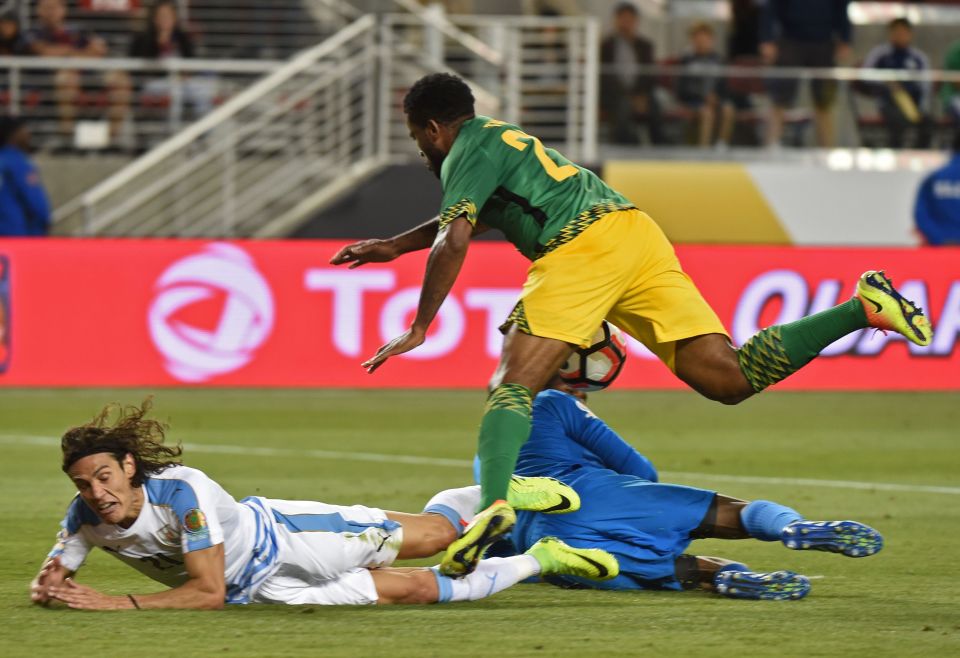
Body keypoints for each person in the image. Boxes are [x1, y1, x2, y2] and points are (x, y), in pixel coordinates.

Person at [328, 73, 931, 565]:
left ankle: (489, 513)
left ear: (434, 127)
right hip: (635, 233)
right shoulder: (496, 141)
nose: (422, 151)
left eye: (417, 139)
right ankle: (862, 307)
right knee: (727, 378)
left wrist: (420, 324)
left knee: (510, 388)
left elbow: (456, 236)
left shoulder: (464, 149)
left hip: (580, 245)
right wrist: (394, 245)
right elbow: (483, 217)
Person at [31, 400, 617, 610]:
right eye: (85, 485)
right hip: (266, 592)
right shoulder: (84, 519)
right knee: (416, 591)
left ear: (129, 467)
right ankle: (543, 558)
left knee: (438, 536)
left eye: (104, 477)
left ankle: (497, 492)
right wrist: (51, 586)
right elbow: (54, 577)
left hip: (291, 536)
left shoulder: (182, 491)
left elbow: (205, 594)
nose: (97, 494)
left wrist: (114, 604)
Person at [500, 380, 884, 600]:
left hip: (544, 541)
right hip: (593, 493)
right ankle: (791, 528)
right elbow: (642, 471)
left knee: (674, 570)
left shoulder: (489, 453)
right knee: (728, 513)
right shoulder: (552, 402)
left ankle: (726, 577)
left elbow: (496, 539)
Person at [23, 0, 131, 143]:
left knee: (121, 80)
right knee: (66, 78)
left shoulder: (78, 30)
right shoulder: (31, 33)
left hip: (88, 77)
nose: (51, 12)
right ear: (39, 11)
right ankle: (69, 139)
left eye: (55, 7)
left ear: (64, 10)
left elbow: (99, 50)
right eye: (47, 7)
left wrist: (67, 54)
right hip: (47, 84)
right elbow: (45, 52)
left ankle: (109, 139)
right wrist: (78, 52)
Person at [760, 0, 852, 147]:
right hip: (791, 39)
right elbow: (771, 8)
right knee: (779, 98)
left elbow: (841, 8)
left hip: (824, 40)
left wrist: (846, 38)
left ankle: (827, 148)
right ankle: (771, 144)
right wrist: (767, 39)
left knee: (824, 101)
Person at [129, 0, 216, 126]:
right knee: (176, 93)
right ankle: (174, 133)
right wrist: (158, 44)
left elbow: (192, 61)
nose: (165, 19)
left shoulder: (182, 37)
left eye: (168, 15)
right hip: (155, 83)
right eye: (162, 16)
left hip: (183, 81)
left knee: (203, 92)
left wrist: (186, 73)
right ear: (155, 19)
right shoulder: (145, 38)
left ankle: (204, 133)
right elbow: (141, 66)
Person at [599, 2, 665, 145]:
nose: (626, 23)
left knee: (655, 105)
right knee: (623, 106)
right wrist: (628, 95)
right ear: (615, 20)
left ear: (636, 21)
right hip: (614, 94)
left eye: (629, 20)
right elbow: (605, 76)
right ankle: (623, 147)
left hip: (641, 94)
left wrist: (641, 95)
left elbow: (649, 74)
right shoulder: (606, 45)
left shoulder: (645, 45)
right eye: (623, 19)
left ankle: (659, 148)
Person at [862, 18, 933, 150]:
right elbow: (865, 74)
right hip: (888, 103)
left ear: (910, 34)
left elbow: (926, 83)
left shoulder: (918, 57)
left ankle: (919, 156)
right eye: (896, 32)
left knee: (928, 122)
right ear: (890, 33)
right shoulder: (880, 54)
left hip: (913, 103)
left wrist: (921, 105)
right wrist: (886, 81)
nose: (899, 36)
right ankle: (896, 158)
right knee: (898, 121)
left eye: (903, 32)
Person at [675, 22, 735, 148]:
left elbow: (725, 86)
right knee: (707, 113)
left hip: (716, 100)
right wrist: (702, 98)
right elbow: (681, 89)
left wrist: (716, 96)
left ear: (711, 40)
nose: (702, 41)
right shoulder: (686, 61)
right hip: (694, 102)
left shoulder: (719, 60)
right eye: (698, 38)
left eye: (705, 38)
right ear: (692, 40)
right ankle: (704, 149)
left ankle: (721, 145)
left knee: (728, 109)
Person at [0, 116, 52, 236]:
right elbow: (38, 207)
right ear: (14, 134)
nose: (28, 135)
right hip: (14, 237)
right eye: (24, 130)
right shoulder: (18, 163)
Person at [914, 131, 960, 245]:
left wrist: (939, 239)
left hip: (940, 249)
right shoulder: (934, 178)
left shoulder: (935, 177)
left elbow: (921, 214)